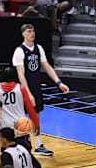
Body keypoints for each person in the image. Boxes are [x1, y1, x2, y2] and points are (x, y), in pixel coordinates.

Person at [13, 23, 70, 156]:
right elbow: (21, 74)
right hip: (23, 90)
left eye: (33, 31)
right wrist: (28, 93)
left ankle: (38, 145)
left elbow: (47, 67)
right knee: (19, 119)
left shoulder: (38, 48)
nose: (32, 33)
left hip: (36, 87)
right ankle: (16, 146)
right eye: (28, 31)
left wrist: (59, 82)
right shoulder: (19, 51)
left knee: (36, 118)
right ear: (23, 34)